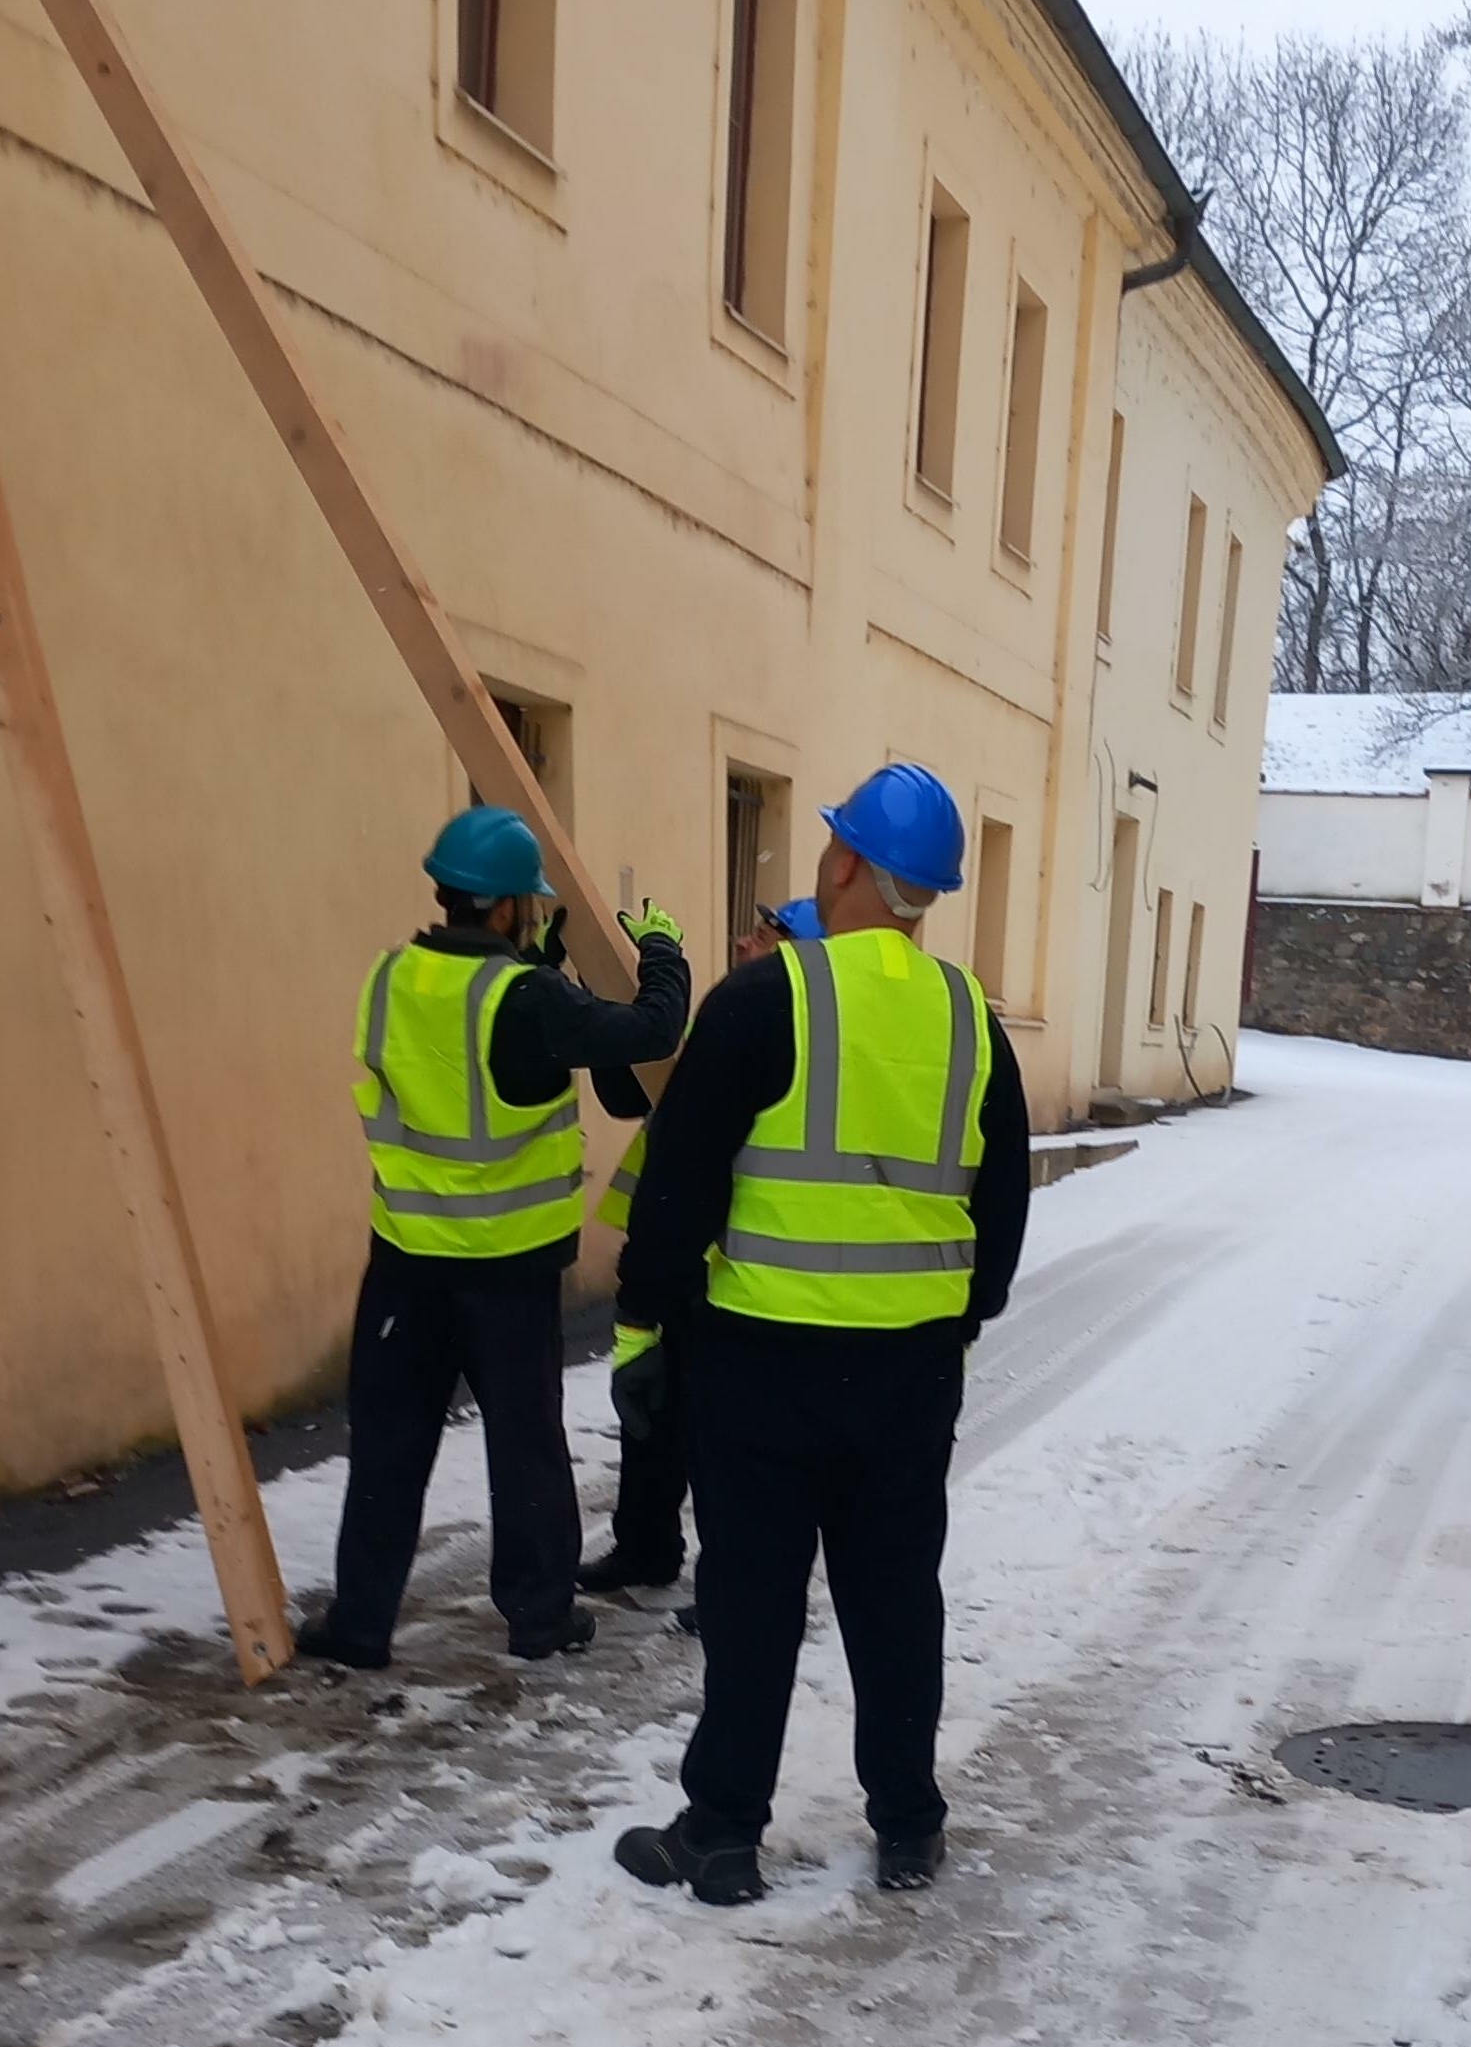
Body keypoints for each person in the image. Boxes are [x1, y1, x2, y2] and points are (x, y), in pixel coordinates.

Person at [603, 771, 1027, 1907]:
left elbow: (677, 1189)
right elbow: (1001, 1208)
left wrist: (643, 1329)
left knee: (752, 1600)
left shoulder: (763, 1000)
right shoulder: (971, 1021)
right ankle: (908, 1827)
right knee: (896, 1599)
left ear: (843, 864)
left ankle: (722, 1836)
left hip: (761, 1366)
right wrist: (956, 1327)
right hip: (909, 1374)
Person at [298, 808, 687, 1671]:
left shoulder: (390, 977)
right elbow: (651, 1029)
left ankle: (360, 1625)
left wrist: (538, 965)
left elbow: (464, 1045)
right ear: (509, 905)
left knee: (389, 1449)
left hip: (404, 1267)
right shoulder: (530, 1001)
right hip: (506, 1276)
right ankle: (540, 1617)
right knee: (526, 1448)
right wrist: (662, 952)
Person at [578, 898, 818, 1618]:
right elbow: (629, 1092)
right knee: (654, 1412)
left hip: (740, 1266)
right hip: (679, 1254)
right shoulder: (726, 1020)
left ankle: (731, 1581)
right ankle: (646, 1545)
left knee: (723, 1436)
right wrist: (610, 997)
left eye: (763, 935)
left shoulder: (794, 1044)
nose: (743, 941)